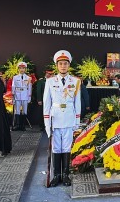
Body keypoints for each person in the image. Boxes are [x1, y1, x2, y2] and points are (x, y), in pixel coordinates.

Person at [43, 50, 81, 187]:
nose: (63, 66)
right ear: (57, 66)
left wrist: (77, 121)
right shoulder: (50, 81)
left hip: (69, 118)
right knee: (56, 148)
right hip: (55, 119)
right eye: (60, 64)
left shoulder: (76, 81)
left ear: (69, 65)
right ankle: (56, 175)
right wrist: (47, 124)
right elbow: (46, 104)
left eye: (65, 63)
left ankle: (65, 175)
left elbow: (77, 103)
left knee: (66, 147)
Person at [12, 62, 32, 131]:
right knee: (17, 110)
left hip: (25, 95)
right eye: (20, 68)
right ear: (18, 69)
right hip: (17, 95)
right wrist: (13, 97)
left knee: (24, 111)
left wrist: (29, 97)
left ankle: (23, 126)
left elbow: (29, 87)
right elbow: (13, 87)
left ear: (25, 69)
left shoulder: (28, 78)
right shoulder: (15, 77)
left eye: (23, 68)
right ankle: (17, 125)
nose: (22, 70)